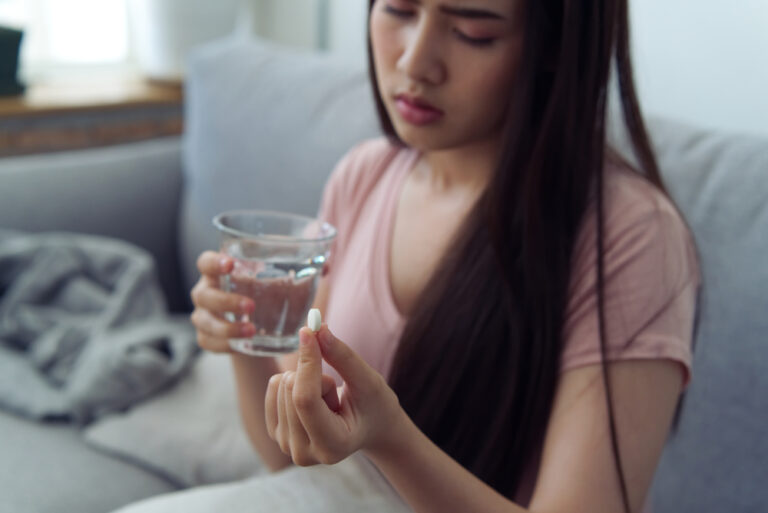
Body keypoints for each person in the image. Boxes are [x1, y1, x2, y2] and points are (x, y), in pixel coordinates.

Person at [137, 1, 701, 512]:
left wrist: (390, 440)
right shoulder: (365, 175)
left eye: (471, 31)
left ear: (553, 47)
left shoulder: (632, 239)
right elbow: (292, 457)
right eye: (398, 9)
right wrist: (245, 339)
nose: (415, 60)